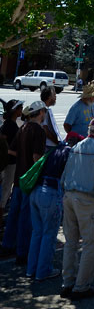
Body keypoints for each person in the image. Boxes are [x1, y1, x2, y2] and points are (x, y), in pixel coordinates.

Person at [61, 116, 94, 300]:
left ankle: (67, 282)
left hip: (69, 195)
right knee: (90, 243)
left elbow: (66, 173)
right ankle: (81, 286)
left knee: (71, 241)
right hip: (87, 199)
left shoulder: (76, 147)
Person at [26, 131, 83, 281]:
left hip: (36, 190)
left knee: (37, 232)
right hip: (50, 193)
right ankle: (43, 271)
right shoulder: (70, 153)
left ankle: (31, 269)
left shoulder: (55, 149)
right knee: (49, 234)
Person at [0, 100, 47, 264]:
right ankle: (21, 252)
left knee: (13, 214)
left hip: (19, 178)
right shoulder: (39, 131)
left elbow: (11, 150)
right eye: (44, 112)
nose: (45, 114)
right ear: (40, 113)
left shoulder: (23, 128)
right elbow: (37, 158)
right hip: (30, 180)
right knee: (26, 218)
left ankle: (7, 245)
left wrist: (21, 158)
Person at [0, 99, 23, 213]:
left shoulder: (10, 124)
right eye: (20, 108)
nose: (22, 110)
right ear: (15, 111)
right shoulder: (10, 125)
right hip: (9, 163)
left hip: (10, 162)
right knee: (6, 190)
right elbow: (5, 146)